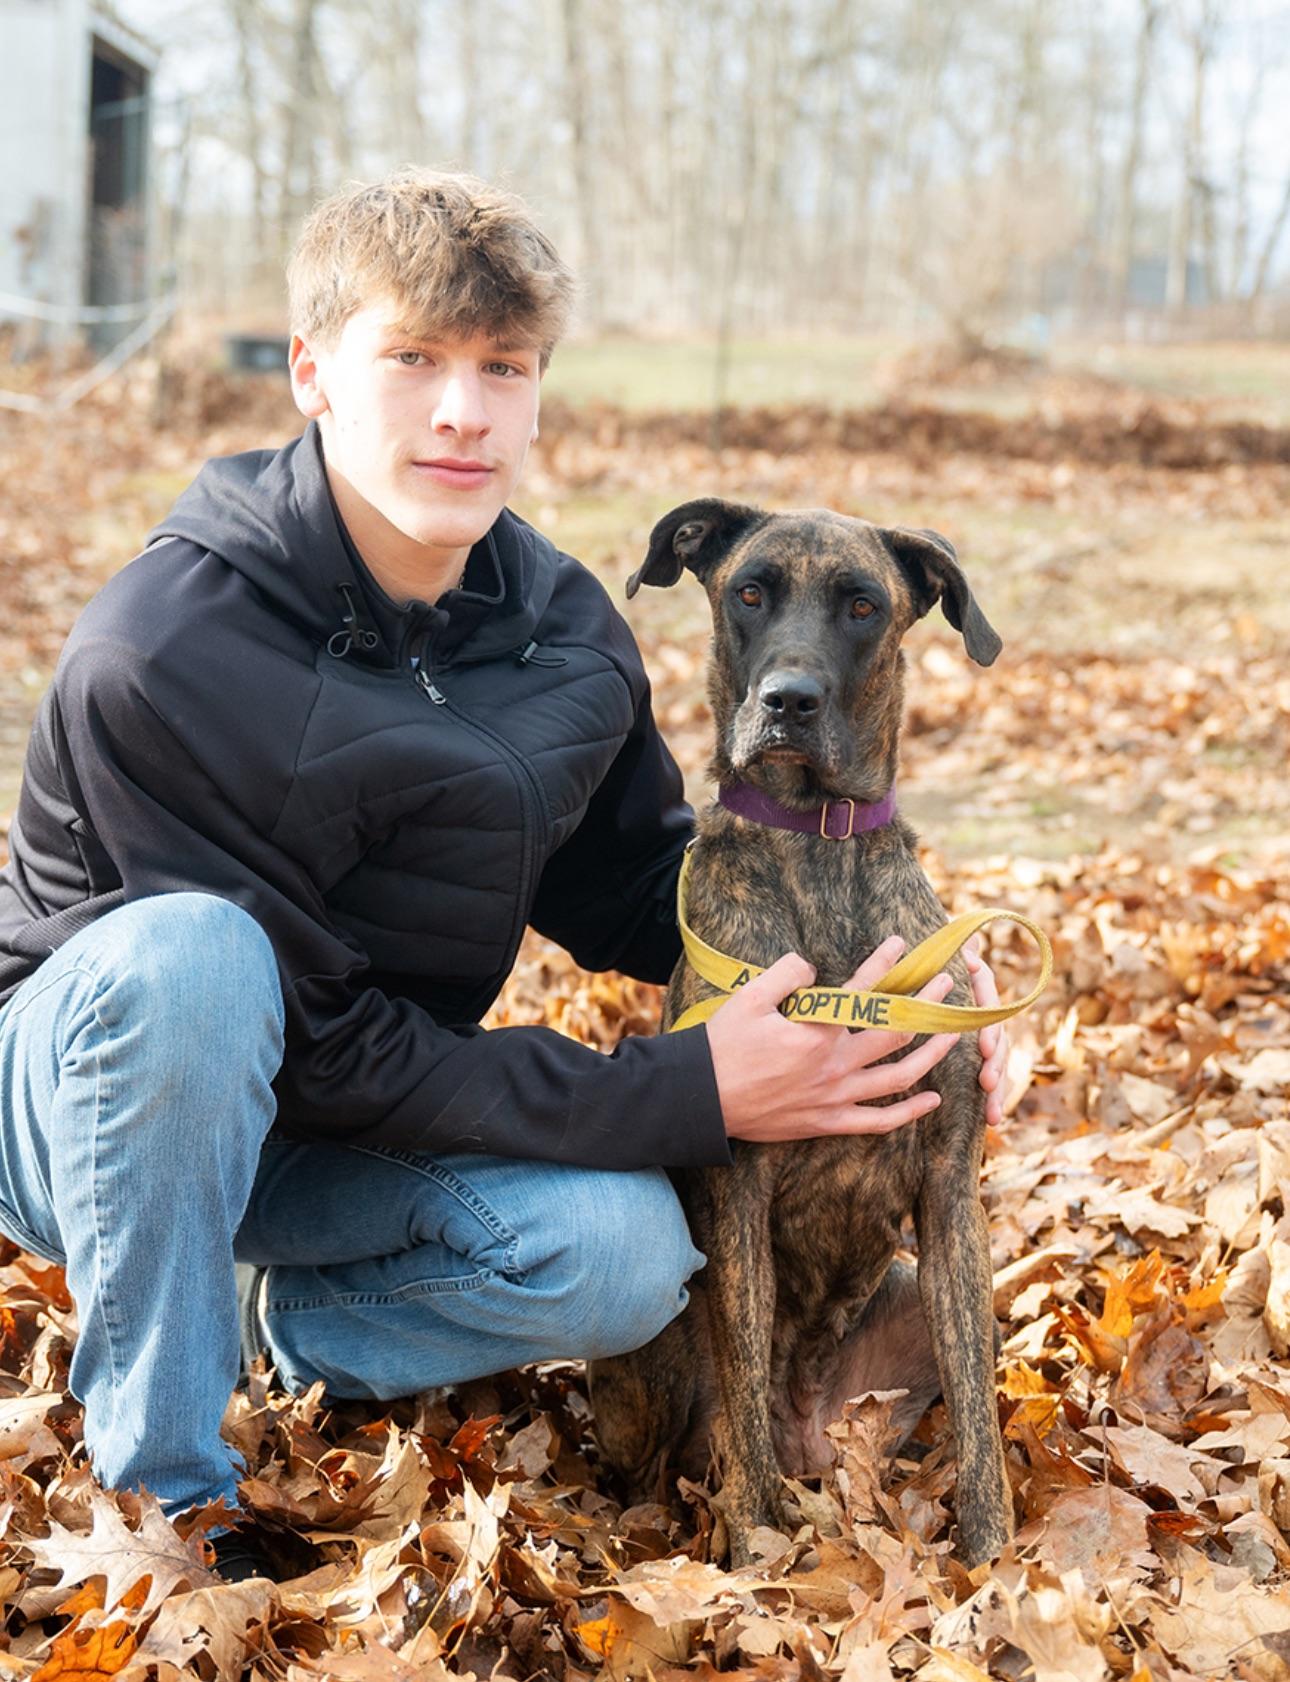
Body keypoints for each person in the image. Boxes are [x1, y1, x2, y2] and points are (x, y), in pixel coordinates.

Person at [0, 171, 1007, 1571]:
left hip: (337, 1121)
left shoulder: (556, 628)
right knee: (195, 963)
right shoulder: (165, 648)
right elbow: (320, 1034)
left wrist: (883, 996)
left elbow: (641, 884)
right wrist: (691, 1089)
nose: (462, 410)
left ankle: (267, 1321)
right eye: (410, 359)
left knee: (621, 1257)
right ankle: (171, 1497)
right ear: (312, 372)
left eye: (502, 367)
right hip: (96, 1104)